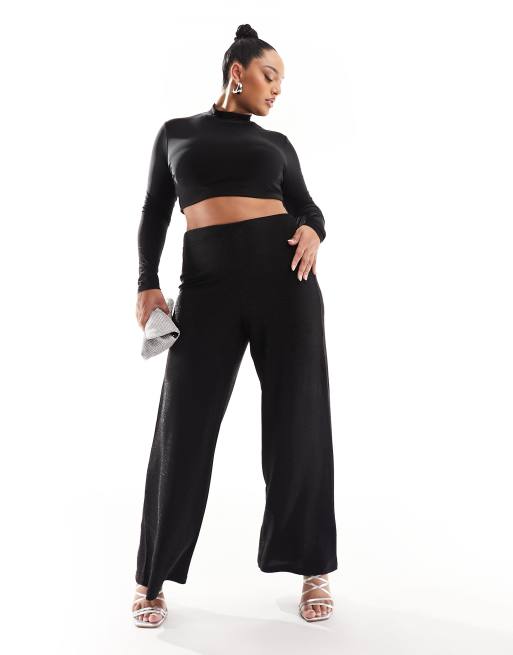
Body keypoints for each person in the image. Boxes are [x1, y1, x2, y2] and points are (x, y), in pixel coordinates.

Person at [132, 23, 338, 627]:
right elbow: (155, 209)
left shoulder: (277, 144)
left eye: (282, 82)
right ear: (237, 72)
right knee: (183, 426)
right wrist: (147, 280)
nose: (276, 90)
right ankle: (152, 577)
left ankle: (313, 568)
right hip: (206, 287)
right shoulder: (176, 133)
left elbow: (308, 206)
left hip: (285, 281)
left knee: (299, 421)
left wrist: (313, 230)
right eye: (269, 76)